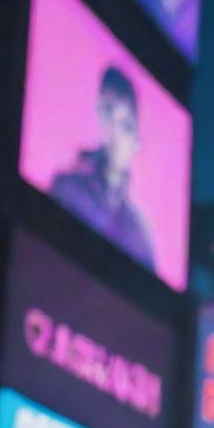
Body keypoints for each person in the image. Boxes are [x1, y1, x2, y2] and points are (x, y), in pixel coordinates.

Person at [49, 65, 156, 273]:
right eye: (109, 114)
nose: (116, 133)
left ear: (136, 141)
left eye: (126, 125)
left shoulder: (140, 237)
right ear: (98, 115)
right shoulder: (67, 190)